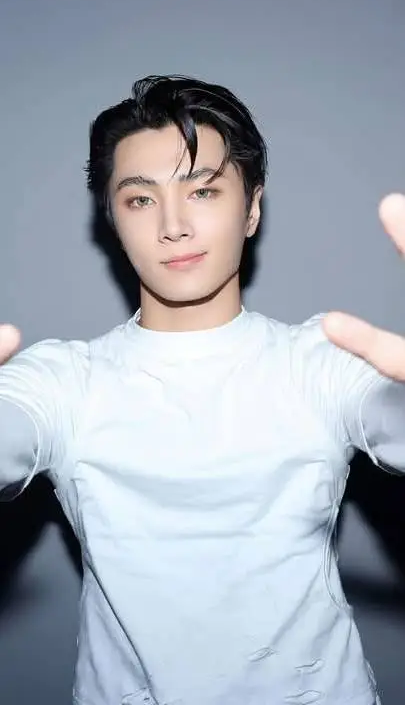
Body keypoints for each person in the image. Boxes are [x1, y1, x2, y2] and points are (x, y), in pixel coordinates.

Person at [0, 75, 404, 705]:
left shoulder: (322, 362)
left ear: (252, 208)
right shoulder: (64, 381)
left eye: (204, 190)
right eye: (140, 199)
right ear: (113, 220)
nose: (174, 225)